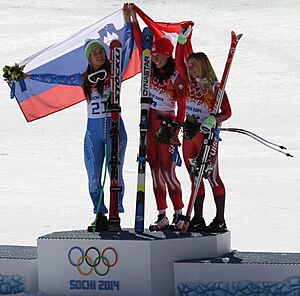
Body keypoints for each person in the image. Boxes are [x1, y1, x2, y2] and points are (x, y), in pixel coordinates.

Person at [23, 5, 134, 232]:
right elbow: (57, 77)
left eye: (100, 51)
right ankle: (99, 213)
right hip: (92, 129)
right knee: (93, 174)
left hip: (114, 127)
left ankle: (115, 213)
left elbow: (129, 48)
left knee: (115, 171)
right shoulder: (83, 79)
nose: (99, 54)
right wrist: (30, 75)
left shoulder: (115, 71)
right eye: (94, 53)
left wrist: (129, 21)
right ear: (88, 59)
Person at [129, 6, 187, 231]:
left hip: (166, 123)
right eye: (153, 55)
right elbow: (139, 44)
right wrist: (133, 21)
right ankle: (162, 214)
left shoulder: (176, 77)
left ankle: (179, 213)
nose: (155, 58)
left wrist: (176, 130)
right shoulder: (149, 70)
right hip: (149, 122)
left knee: (167, 171)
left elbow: (181, 108)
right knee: (153, 170)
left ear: (168, 54)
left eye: (159, 55)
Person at [177, 40, 232, 232]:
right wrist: (181, 42)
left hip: (206, 137)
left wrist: (213, 120)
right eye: (189, 65)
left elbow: (227, 112)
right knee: (195, 177)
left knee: (212, 176)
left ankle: (220, 219)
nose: (190, 68)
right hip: (189, 136)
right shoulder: (189, 84)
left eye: (194, 65)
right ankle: (198, 218)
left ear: (204, 65)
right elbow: (178, 63)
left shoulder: (216, 87)